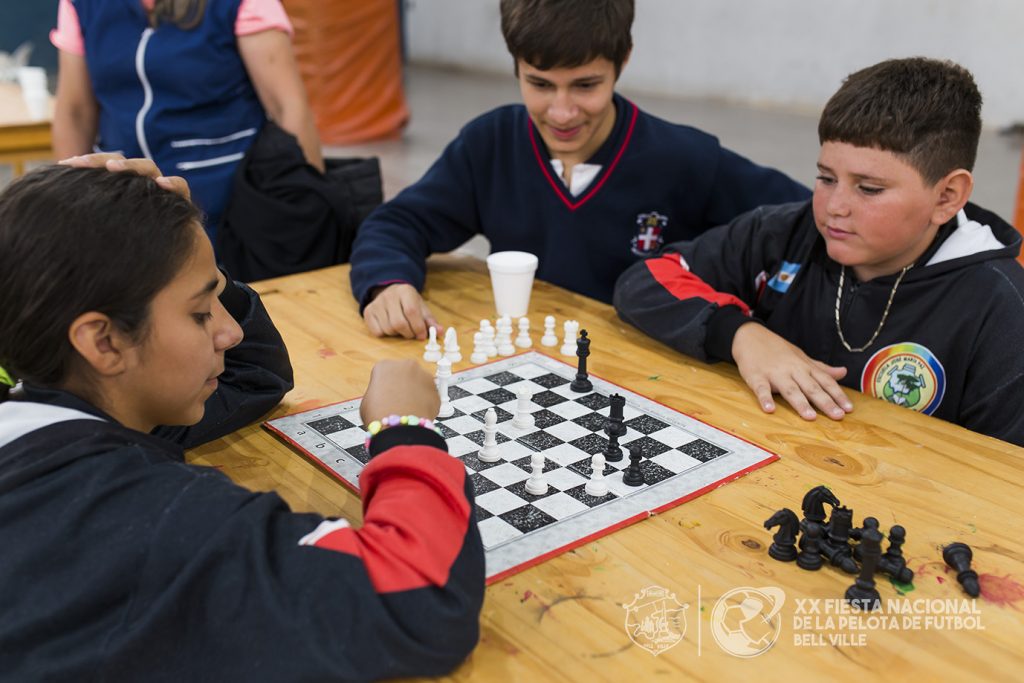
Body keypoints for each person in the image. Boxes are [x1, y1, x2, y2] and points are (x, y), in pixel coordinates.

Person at [0, 159, 484, 681]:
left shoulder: (52, 412)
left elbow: (250, 377)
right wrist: (403, 428)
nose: (229, 331)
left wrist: (167, 246)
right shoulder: (156, 519)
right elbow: (419, 596)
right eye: (200, 311)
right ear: (104, 341)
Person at [613, 58, 1024, 447]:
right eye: (826, 178)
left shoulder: (1001, 308)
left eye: (869, 188)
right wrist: (739, 333)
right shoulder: (782, 233)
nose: (834, 207)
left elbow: (1006, 476)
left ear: (947, 196)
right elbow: (643, 280)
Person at [349, 0, 809, 340]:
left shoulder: (684, 157)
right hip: (527, 358)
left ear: (622, 60)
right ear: (515, 67)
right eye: (540, 84)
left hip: (649, 379)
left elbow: (803, 221)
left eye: (585, 85)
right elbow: (397, 222)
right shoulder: (489, 144)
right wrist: (387, 283)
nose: (562, 111)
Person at [50, 0, 324, 241]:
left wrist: (307, 206)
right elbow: (74, 112)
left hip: (229, 206)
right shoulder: (79, 4)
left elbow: (288, 107)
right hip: (123, 206)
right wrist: (69, 210)